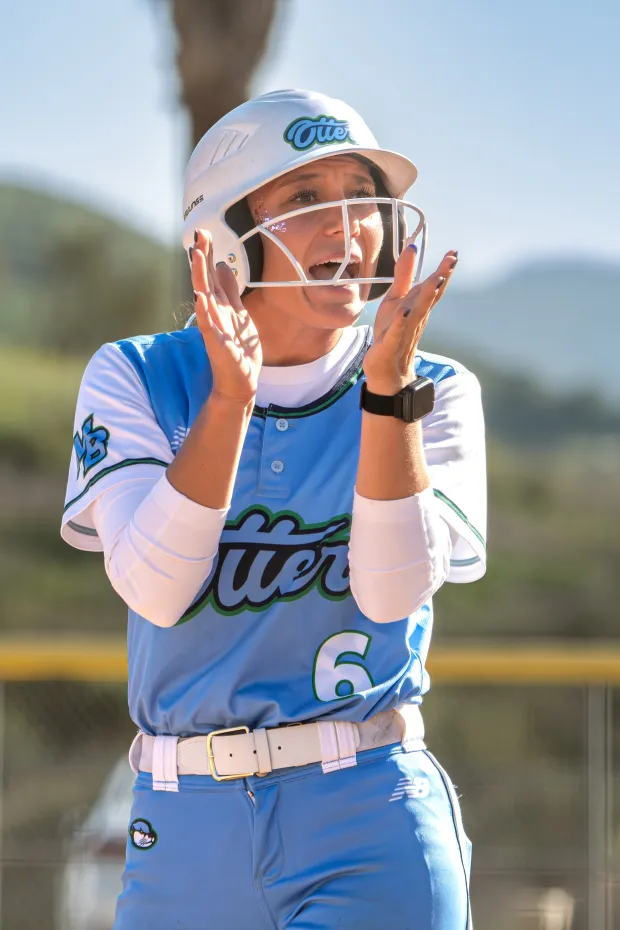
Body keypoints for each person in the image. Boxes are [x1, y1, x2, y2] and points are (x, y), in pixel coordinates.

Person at [62, 88, 486, 930]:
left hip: (368, 804)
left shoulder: (432, 385)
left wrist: (387, 397)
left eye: (363, 200)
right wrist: (228, 402)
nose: (349, 225)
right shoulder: (138, 375)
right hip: (186, 818)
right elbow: (153, 586)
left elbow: (393, 593)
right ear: (221, 238)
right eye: (304, 200)